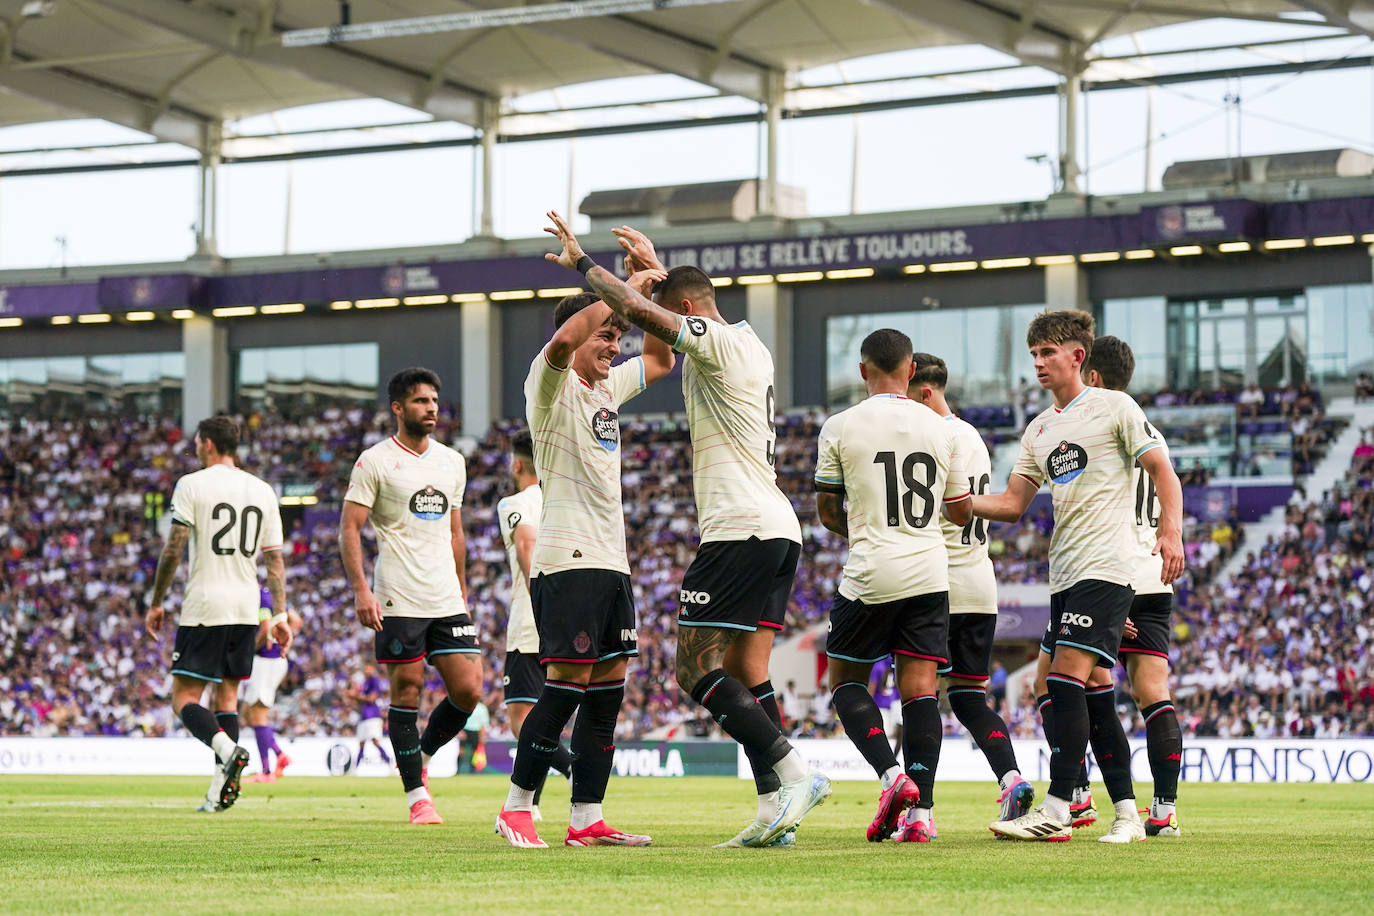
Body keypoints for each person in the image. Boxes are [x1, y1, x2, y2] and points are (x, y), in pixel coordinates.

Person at [545, 213, 831, 848]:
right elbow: (668, 322)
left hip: (739, 529)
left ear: (688, 311)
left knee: (693, 670)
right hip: (777, 527)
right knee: (749, 670)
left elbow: (652, 322)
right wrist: (657, 269)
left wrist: (586, 268)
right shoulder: (747, 342)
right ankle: (771, 811)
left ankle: (793, 769)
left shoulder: (717, 341)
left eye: (670, 312)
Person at [971, 310, 1184, 842]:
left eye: (1049, 353)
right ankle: (1131, 813)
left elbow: (1163, 471)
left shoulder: (1114, 407)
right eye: (1035, 355)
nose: (1040, 363)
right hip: (1065, 571)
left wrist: (1172, 533)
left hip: (1111, 566)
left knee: (1062, 677)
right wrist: (960, 502)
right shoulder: (1040, 429)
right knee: (1085, 688)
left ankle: (1061, 805)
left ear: (1078, 357)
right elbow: (1013, 503)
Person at [494, 256, 675, 849]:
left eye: (617, 335)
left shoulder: (606, 388)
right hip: (566, 560)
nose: (613, 344)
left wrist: (646, 295)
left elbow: (660, 358)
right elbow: (569, 335)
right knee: (566, 685)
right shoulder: (548, 385)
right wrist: (623, 291)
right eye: (607, 334)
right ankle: (517, 807)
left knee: (608, 690)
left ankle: (586, 817)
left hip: (611, 562)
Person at [814, 329, 973, 843]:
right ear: (910, 371)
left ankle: (890, 776)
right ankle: (922, 815)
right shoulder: (941, 428)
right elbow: (955, 508)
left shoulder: (839, 426)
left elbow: (826, 511)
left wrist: (864, 527)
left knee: (845, 681)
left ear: (862, 371)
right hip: (930, 570)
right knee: (921, 691)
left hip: (871, 568)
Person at [340, 367, 482, 825]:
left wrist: (462, 588)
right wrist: (362, 589)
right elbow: (350, 528)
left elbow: (455, 532)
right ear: (398, 408)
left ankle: (417, 756)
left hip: (446, 597)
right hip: (399, 596)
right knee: (408, 691)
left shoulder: (451, 461)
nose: (432, 408)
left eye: (435, 401)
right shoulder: (375, 461)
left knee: (469, 690)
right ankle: (417, 796)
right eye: (422, 401)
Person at [908, 352, 1034, 835]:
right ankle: (1011, 778)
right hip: (980, 582)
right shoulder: (973, 438)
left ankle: (922, 813)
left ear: (925, 392)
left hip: (938, 583)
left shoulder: (933, 437)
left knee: (918, 695)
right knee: (968, 697)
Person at [145, 415, 290, 812]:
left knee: (184, 699)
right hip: (245, 608)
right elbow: (274, 562)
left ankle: (228, 750)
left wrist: (157, 601)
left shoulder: (192, 484)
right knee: (226, 699)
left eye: (197, 441)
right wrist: (279, 616)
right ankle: (218, 793)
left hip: (206, 604)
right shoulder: (261, 490)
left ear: (207, 444)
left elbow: (174, 549)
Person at [1079, 336, 1184, 840]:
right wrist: (1170, 534)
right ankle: (1164, 811)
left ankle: (1084, 798)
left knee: (1065, 683)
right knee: (1152, 691)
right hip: (1152, 578)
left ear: (1092, 377)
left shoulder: (1101, 426)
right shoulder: (1152, 433)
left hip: (1111, 572)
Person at [497, 429, 572, 818]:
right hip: (568, 619)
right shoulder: (564, 501)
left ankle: (572, 767)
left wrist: (541, 602)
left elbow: (526, 544)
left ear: (517, 464)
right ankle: (533, 803)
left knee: (522, 719)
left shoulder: (515, 503)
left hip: (532, 621)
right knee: (545, 712)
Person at [242, 585, 303, 782]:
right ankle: (279, 754)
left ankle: (267, 771)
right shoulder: (274, 595)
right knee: (249, 713)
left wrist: (251, 649)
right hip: (274, 661)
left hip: (266, 661)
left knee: (258, 716)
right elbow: (296, 621)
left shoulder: (257, 596)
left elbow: (265, 627)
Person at [352, 664, 391, 769]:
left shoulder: (374, 680)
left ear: (373, 670)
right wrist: (354, 697)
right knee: (361, 742)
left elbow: (371, 699)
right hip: (364, 716)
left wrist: (356, 696)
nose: (366, 671)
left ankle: (389, 762)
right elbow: (362, 700)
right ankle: (355, 768)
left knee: (375, 740)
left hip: (373, 715)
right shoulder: (365, 683)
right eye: (365, 668)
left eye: (368, 668)